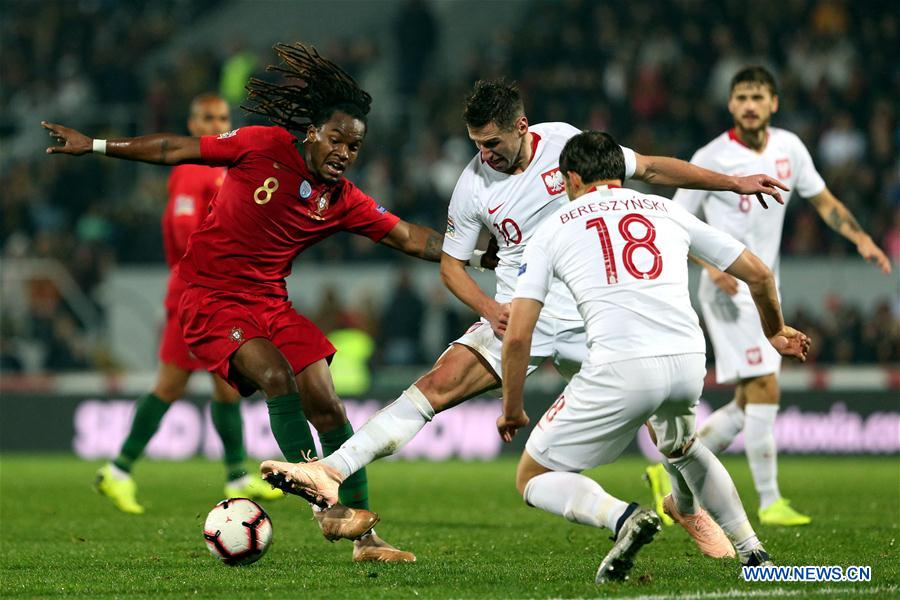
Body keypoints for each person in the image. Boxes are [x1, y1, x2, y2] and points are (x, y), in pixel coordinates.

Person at [257, 79, 788, 555]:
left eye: (492, 143)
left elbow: (649, 166)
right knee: (436, 387)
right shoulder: (472, 186)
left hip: (593, 308)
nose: (484, 155)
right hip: (521, 311)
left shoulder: (566, 144)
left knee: (671, 433)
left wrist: (732, 183)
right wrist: (489, 308)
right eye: (475, 145)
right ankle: (332, 470)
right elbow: (452, 267)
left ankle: (687, 507)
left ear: (522, 127)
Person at [43, 42, 494, 562]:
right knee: (276, 377)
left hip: (269, 303)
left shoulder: (340, 199)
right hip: (210, 298)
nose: (345, 153)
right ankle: (322, 505)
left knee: (327, 402)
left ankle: (366, 541)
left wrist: (485, 257)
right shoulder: (261, 146)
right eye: (337, 140)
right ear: (312, 133)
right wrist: (96, 145)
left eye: (355, 147)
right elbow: (174, 150)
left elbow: (412, 238)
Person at [497, 131, 810, 582]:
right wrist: (775, 331)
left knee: (531, 476)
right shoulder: (666, 209)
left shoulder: (552, 229)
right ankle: (754, 553)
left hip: (619, 364)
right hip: (687, 360)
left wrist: (512, 408)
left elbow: (518, 335)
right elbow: (759, 274)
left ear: (571, 177)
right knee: (682, 447)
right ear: (620, 171)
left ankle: (622, 517)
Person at [645, 66, 892, 527]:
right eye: (741, 97)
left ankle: (670, 473)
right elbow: (671, 223)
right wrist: (708, 265)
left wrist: (861, 239)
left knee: (745, 407)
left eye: (758, 96)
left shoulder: (790, 148)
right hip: (726, 289)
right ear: (730, 105)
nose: (750, 104)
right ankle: (770, 500)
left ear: (774, 103)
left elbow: (824, 202)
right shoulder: (711, 155)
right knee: (765, 388)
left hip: (764, 290)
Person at [94, 93, 281, 514]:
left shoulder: (223, 166)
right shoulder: (192, 168)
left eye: (221, 117)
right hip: (194, 296)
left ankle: (236, 474)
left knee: (226, 385)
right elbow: (181, 232)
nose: (215, 124)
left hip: (216, 295)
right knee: (171, 385)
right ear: (192, 123)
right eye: (206, 118)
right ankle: (118, 470)